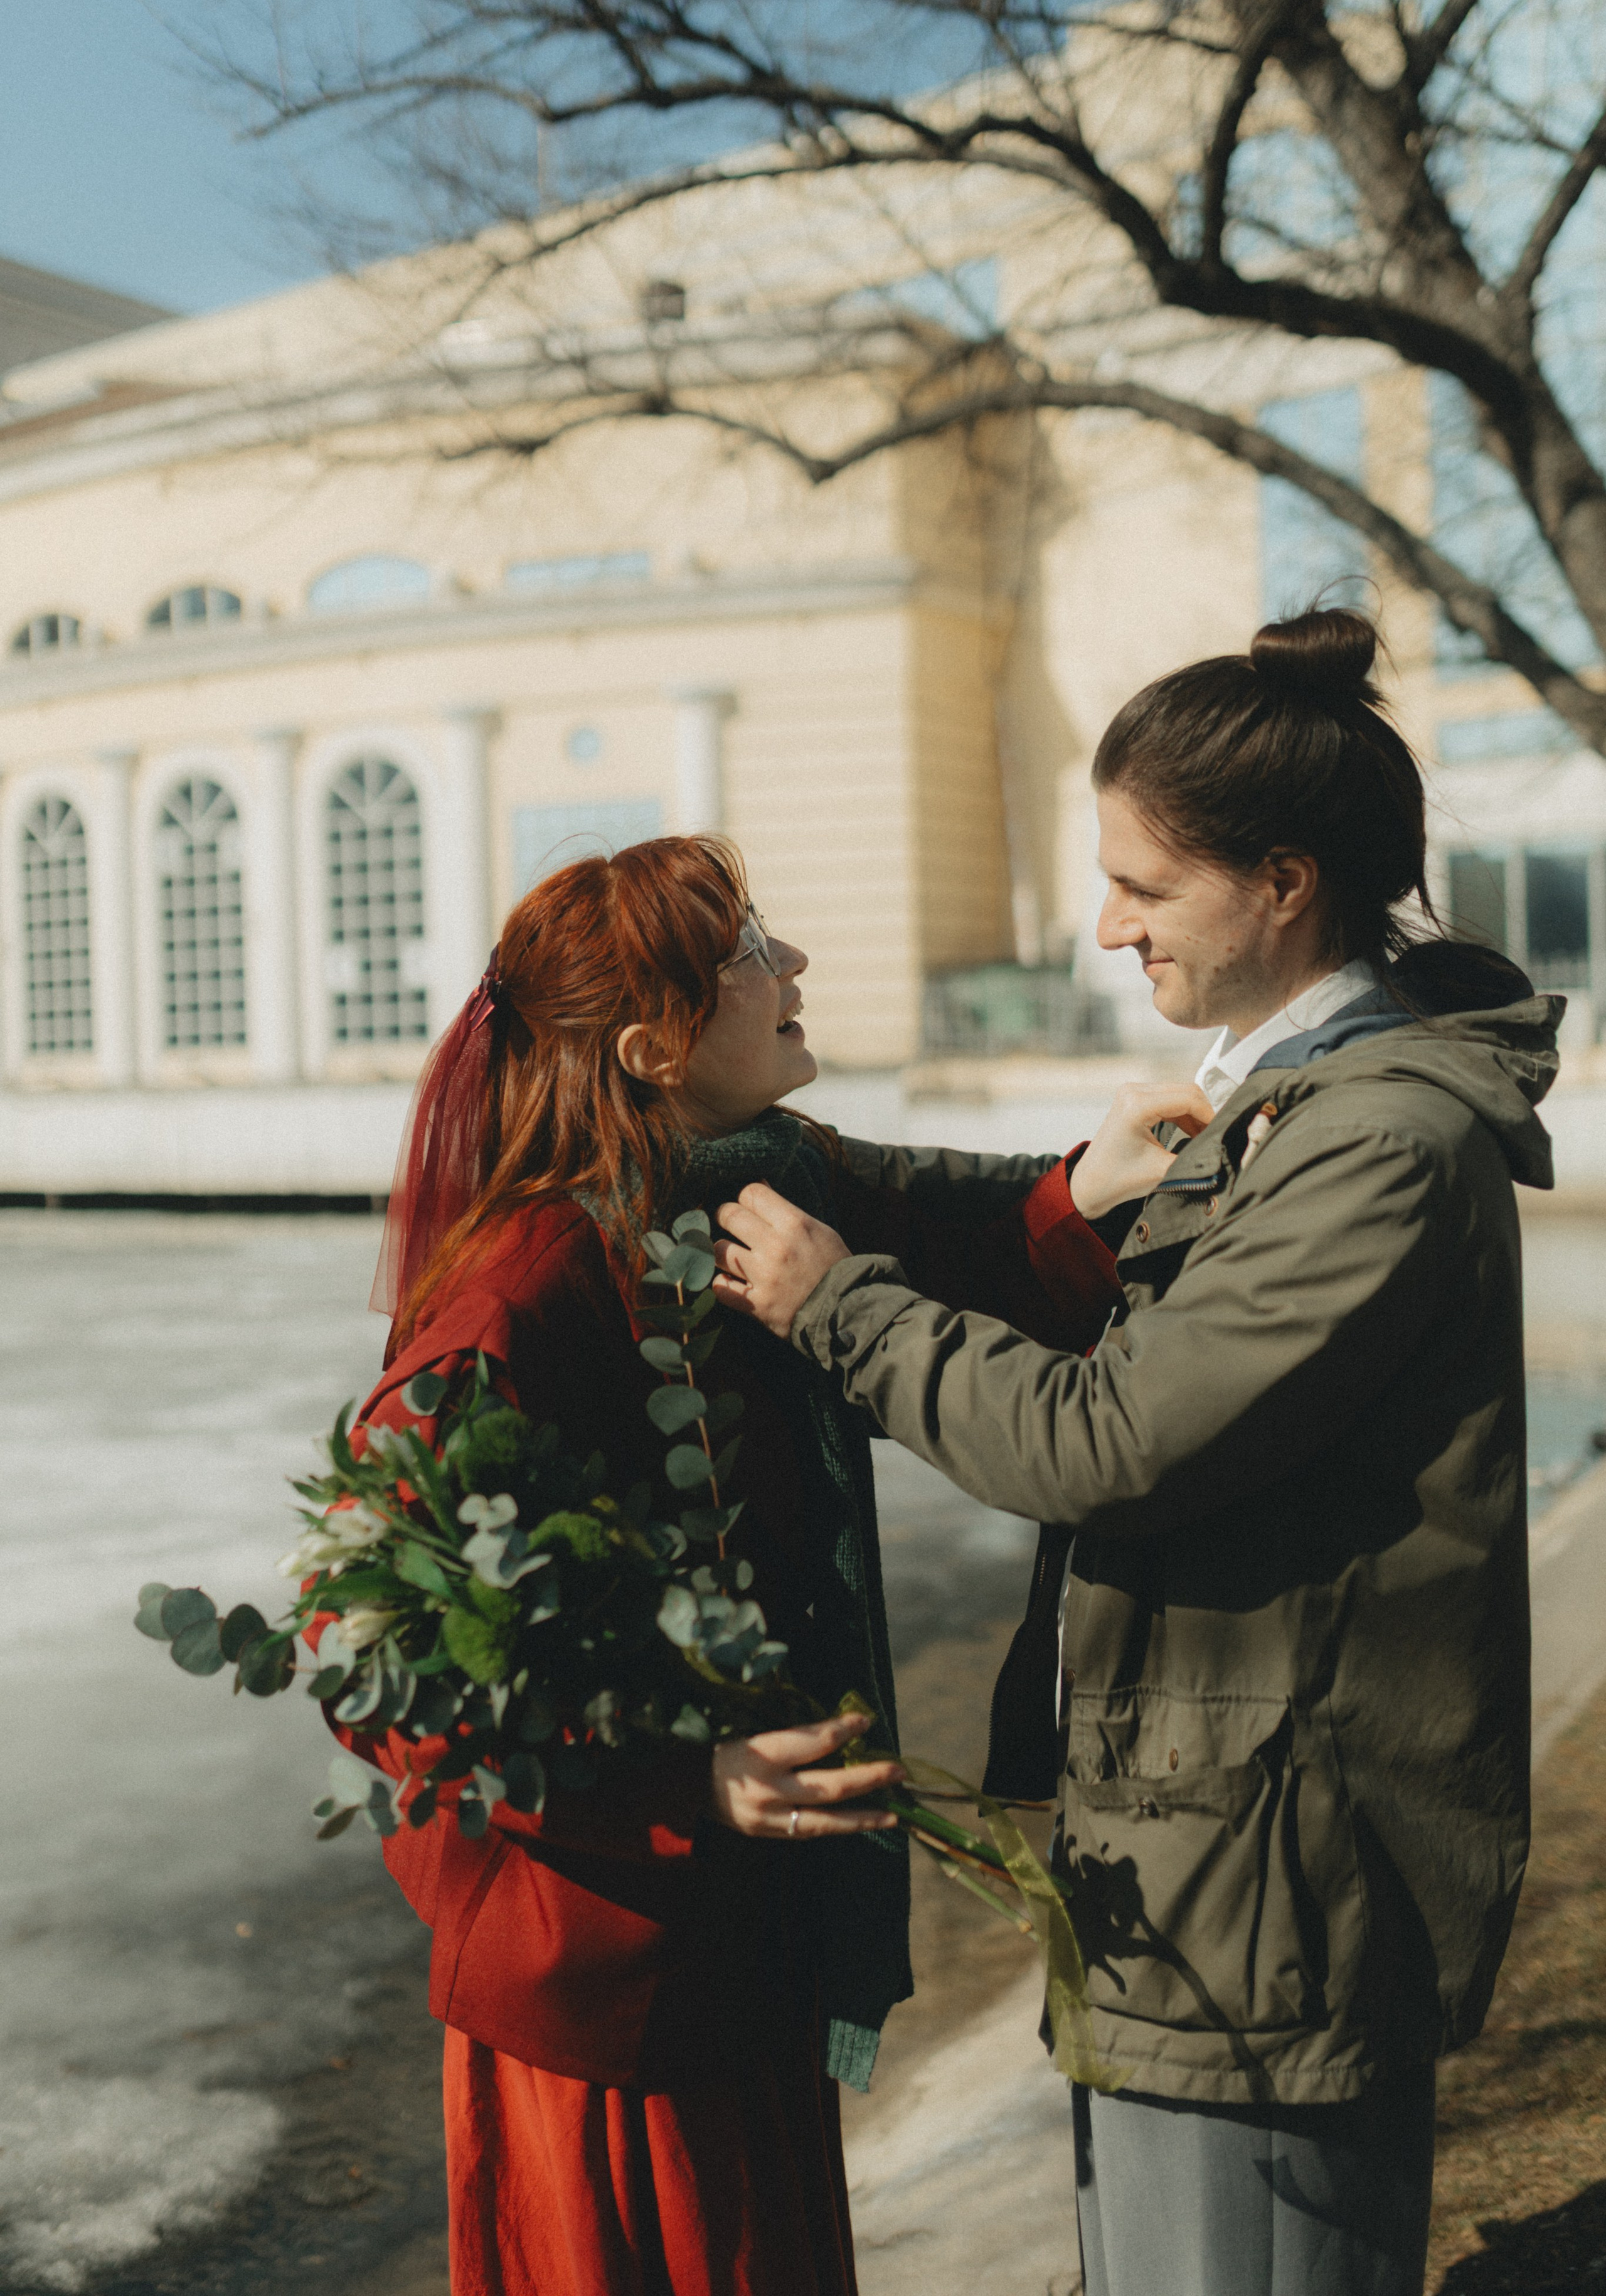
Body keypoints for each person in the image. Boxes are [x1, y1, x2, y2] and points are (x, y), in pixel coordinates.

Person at [711, 608, 1558, 2296]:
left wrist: (844, 1309)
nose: (1107, 931)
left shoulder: (1373, 1147)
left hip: (1270, 1878)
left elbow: (1110, 1440)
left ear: (1285, 882)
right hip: (1214, 1855)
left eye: (1145, 890)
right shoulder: (1291, 1115)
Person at [339, 833, 1122, 2296]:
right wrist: (677, 1780)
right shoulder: (526, 1292)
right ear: (652, 1045)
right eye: (751, 949)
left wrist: (1094, 1187)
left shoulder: (737, 1195)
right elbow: (375, 1656)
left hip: (736, 1935)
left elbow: (926, 1224)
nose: (795, 967)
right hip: (608, 1988)